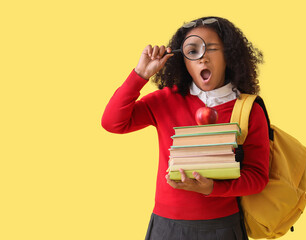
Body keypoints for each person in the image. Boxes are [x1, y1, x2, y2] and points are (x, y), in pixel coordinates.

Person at [101, 16, 269, 240]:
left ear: (228, 55)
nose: (203, 58)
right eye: (193, 51)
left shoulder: (248, 109)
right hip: (166, 226)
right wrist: (140, 75)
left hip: (222, 227)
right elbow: (113, 122)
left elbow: (257, 178)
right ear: (185, 62)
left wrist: (212, 189)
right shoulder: (165, 100)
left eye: (211, 48)